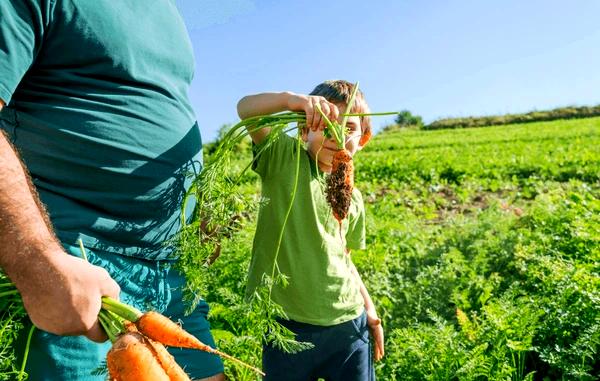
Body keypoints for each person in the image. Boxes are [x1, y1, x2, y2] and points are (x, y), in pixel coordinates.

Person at [0, 1, 224, 380]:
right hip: (79, 266)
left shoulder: (167, 13)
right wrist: (38, 263)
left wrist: (194, 213)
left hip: (172, 272)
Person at [237, 80, 385, 380]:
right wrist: (295, 101)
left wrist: (370, 311)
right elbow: (246, 109)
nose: (337, 134)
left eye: (349, 127)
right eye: (327, 123)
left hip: (348, 325)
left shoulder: (352, 196)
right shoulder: (283, 160)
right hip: (288, 328)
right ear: (305, 130)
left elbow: (344, 257)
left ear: (364, 139)